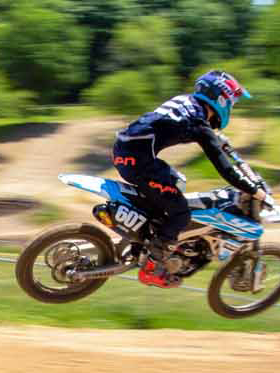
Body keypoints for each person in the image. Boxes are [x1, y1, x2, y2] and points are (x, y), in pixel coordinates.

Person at [112, 70, 269, 287]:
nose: (231, 107)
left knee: (176, 184)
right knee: (181, 213)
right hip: (139, 162)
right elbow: (225, 170)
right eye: (231, 102)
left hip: (126, 150)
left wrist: (215, 137)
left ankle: (147, 240)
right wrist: (253, 190)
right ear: (220, 99)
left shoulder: (185, 102)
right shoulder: (198, 124)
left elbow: (170, 123)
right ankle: (151, 268)